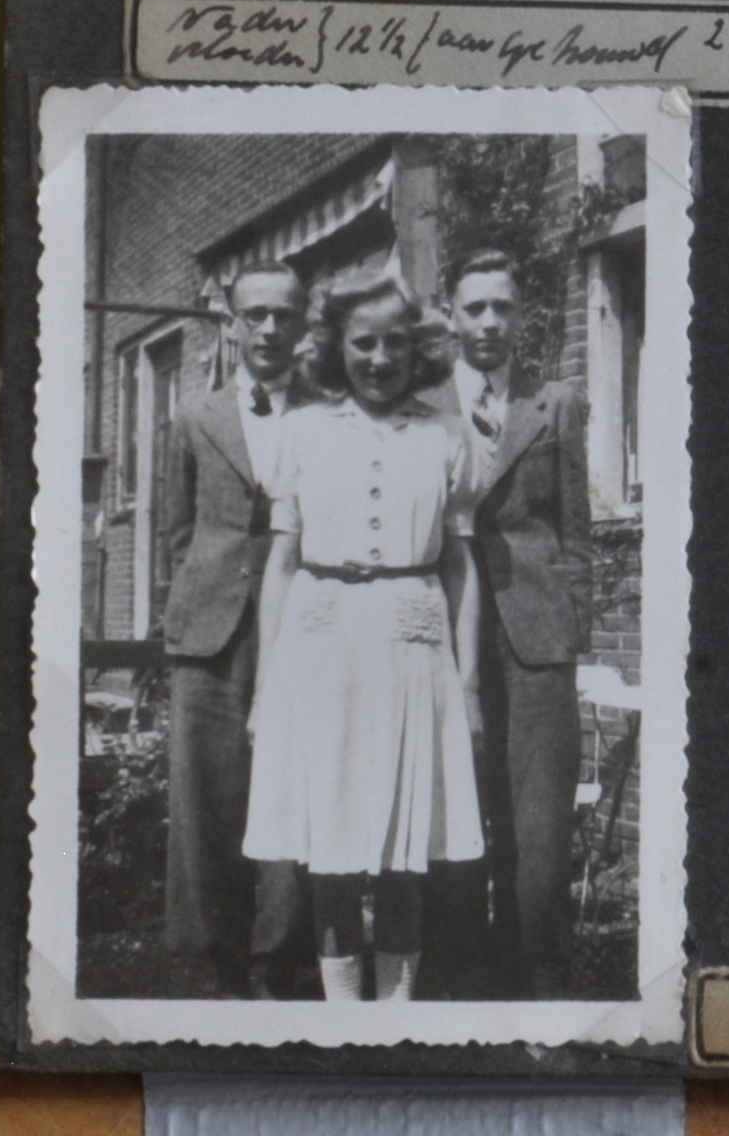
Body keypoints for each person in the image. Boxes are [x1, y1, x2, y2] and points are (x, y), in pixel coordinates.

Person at [243, 277, 485, 1003]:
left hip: (412, 645)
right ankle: (345, 1018)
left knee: (406, 842)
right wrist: (265, 688)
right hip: (321, 646)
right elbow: (281, 566)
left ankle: (395, 1015)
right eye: (364, 343)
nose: (380, 359)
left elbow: (460, 567)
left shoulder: (447, 436)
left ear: (421, 349)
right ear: (335, 347)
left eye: (396, 344)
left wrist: (469, 684)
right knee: (333, 843)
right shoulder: (302, 432)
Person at [156, 262, 311, 999]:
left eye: (284, 315)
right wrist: (202, 601)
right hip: (210, 631)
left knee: (289, 786)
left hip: (300, 626)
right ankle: (217, 962)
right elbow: (177, 532)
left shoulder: (330, 415)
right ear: (231, 324)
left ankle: (278, 959)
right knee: (207, 797)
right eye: (256, 315)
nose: (270, 329)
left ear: (302, 323)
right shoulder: (195, 417)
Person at [441, 249, 585, 1001]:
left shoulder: (552, 405)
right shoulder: (424, 406)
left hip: (537, 633)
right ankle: (463, 970)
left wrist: (570, 616)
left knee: (538, 815)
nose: (489, 322)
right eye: (475, 307)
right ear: (451, 316)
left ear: (521, 315)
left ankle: (540, 973)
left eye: (503, 307)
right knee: (459, 798)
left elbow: (575, 527)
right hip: (446, 630)